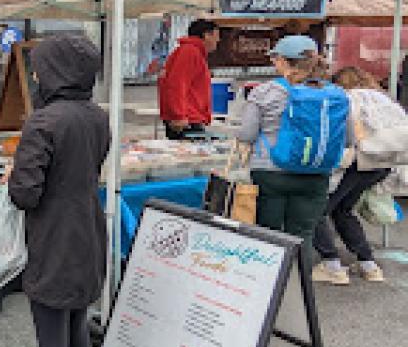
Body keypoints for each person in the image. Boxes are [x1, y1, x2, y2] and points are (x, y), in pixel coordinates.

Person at [2, 34, 110, 347]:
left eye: (40, 68)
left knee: (52, 343)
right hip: (88, 231)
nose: (34, 74)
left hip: (55, 239)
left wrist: (13, 177)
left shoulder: (44, 122)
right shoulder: (98, 117)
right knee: (76, 330)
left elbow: (24, 194)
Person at [236, 36, 342, 251]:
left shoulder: (265, 92)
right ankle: (299, 282)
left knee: (268, 236)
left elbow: (246, 134)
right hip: (317, 173)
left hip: (270, 172)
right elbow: (347, 138)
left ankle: (268, 283)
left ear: (284, 61)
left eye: (275, 59)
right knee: (303, 236)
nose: (274, 63)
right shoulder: (334, 94)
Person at [313, 67, 394, 285]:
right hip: (382, 163)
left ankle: (332, 265)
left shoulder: (346, 98)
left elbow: (344, 134)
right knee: (343, 209)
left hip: (357, 161)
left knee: (318, 210)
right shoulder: (382, 98)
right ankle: (368, 264)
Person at [158, 19, 220, 140]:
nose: (218, 40)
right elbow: (176, 84)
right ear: (206, 35)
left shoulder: (192, 52)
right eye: (216, 36)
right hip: (187, 120)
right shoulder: (190, 52)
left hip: (189, 118)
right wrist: (178, 116)